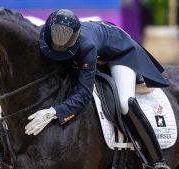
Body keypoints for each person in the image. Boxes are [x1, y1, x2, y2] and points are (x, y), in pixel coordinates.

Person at [25, 9, 170, 169]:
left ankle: (156, 161)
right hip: (96, 42)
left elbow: (84, 93)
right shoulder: (45, 35)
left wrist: (54, 112)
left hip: (120, 53)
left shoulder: (87, 46)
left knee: (124, 103)